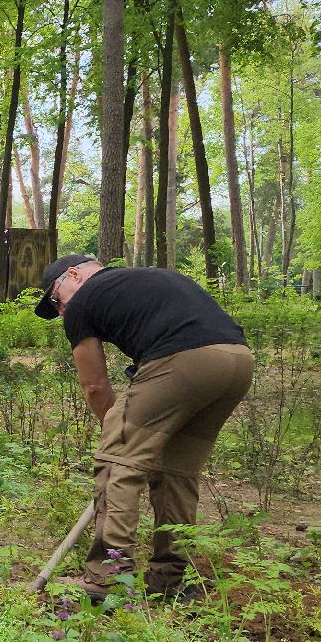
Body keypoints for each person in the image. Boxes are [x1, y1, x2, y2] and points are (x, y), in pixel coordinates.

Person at [35, 255, 254, 601]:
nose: (60, 310)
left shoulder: (84, 301)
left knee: (117, 464)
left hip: (184, 361)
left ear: (74, 275)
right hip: (237, 362)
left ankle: (105, 581)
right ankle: (171, 580)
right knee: (176, 473)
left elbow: (93, 384)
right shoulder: (148, 277)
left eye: (55, 300)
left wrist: (119, 437)